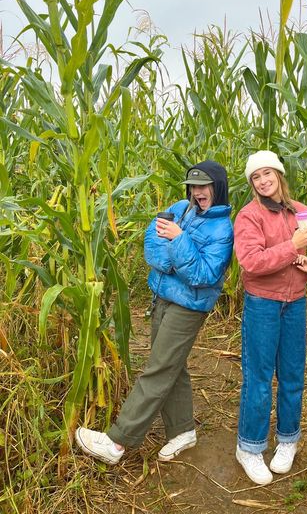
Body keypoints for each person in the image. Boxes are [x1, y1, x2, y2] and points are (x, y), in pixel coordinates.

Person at [75, 160, 234, 465]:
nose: (197, 192)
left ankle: (117, 442)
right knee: (172, 365)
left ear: (218, 187)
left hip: (189, 307)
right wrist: (174, 260)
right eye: (194, 186)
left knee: (159, 368)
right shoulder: (181, 208)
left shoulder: (222, 229)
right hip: (162, 297)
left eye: (204, 186)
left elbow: (203, 275)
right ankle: (183, 431)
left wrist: (178, 239)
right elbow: (152, 243)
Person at [234, 150, 307, 485]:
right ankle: (249, 447)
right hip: (263, 304)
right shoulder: (249, 216)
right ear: (252, 184)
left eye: (268, 174)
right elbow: (251, 262)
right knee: (259, 378)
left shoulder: (301, 212)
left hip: (295, 304)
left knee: (293, 375)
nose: (263, 181)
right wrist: (293, 246)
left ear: (279, 175)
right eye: (256, 177)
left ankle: (288, 440)